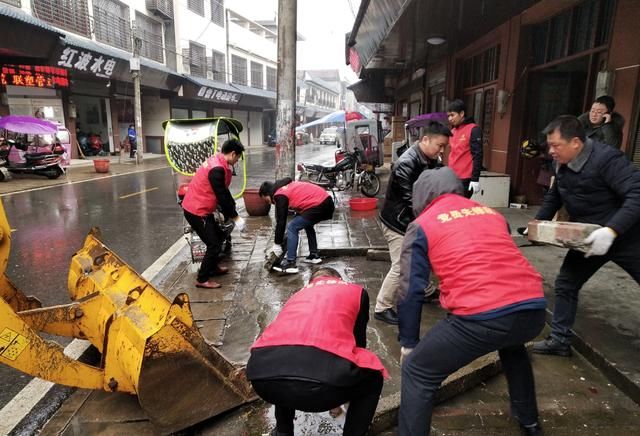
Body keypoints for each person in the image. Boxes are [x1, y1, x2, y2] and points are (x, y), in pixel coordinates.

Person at [397, 167, 546, 436]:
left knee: (417, 370)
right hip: (533, 308)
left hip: (482, 317)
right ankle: (530, 421)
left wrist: (409, 342)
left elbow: (411, 289)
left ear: (421, 196)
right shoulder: (492, 213)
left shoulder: (422, 225)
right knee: (513, 347)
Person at [531, 115, 640, 356]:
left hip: (628, 235)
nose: (551, 151)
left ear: (576, 143)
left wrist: (612, 230)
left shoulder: (607, 160)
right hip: (591, 237)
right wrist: (538, 223)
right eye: (549, 146)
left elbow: (637, 194)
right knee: (566, 283)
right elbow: (555, 195)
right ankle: (560, 340)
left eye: (556, 145)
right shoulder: (562, 162)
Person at [246, 267, 388, 436]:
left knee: (285, 359)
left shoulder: (297, 295)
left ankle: (283, 431)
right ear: (339, 279)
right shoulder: (356, 291)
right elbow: (358, 344)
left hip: (261, 378)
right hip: (322, 389)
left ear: (311, 282)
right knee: (373, 378)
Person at [374, 121, 451, 325]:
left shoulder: (431, 159)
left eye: (444, 146)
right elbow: (412, 202)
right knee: (401, 266)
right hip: (397, 222)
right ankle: (382, 306)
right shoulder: (406, 163)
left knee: (423, 255)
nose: (442, 150)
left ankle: (425, 291)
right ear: (425, 140)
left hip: (413, 220)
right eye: (439, 145)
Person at [181, 139, 246, 289]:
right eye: (238, 158)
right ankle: (202, 278)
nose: (237, 161)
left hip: (202, 208)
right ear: (233, 153)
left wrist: (232, 210)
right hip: (197, 211)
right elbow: (222, 195)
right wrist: (235, 216)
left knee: (219, 235)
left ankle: (213, 266)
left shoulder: (217, 161)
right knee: (214, 244)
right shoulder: (217, 169)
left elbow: (224, 191)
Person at [259, 179, 335, 274]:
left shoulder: (280, 194)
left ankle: (291, 262)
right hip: (326, 202)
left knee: (292, 227)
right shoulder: (285, 188)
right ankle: (313, 255)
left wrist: (277, 244)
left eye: (266, 200)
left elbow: (281, 221)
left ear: (267, 193)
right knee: (306, 222)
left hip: (320, 205)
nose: (269, 203)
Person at [446, 99, 483, 198]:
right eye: (448, 116)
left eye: (452, 115)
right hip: (451, 176)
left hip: (465, 178)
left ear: (462, 113)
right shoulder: (452, 131)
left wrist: (475, 179)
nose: (450, 118)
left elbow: (478, 155)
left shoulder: (473, 129)